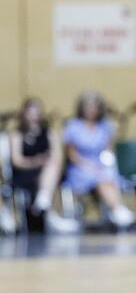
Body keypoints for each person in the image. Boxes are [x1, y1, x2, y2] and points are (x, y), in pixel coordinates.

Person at [63, 91, 135, 228]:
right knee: (98, 177)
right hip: (80, 168)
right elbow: (72, 155)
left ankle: (117, 210)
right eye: (88, 106)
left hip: (100, 165)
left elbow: (107, 151)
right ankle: (117, 209)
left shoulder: (106, 127)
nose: (91, 109)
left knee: (108, 175)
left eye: (94, 106)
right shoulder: (73, 126)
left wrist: (105, 164)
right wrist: (89, 165)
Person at [10, 98, 79, 233]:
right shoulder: (17, 133)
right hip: (25, 173)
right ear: (23, 113)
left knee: (53, 167)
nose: (33, 115)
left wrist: (45, 162)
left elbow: (57, 156)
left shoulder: (49, 132)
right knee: (51, 172)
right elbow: (17, 161)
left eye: (36, 111)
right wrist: (37, 161)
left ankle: (44, 201)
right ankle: (47, 207)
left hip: (47, 172)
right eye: (30, 111)